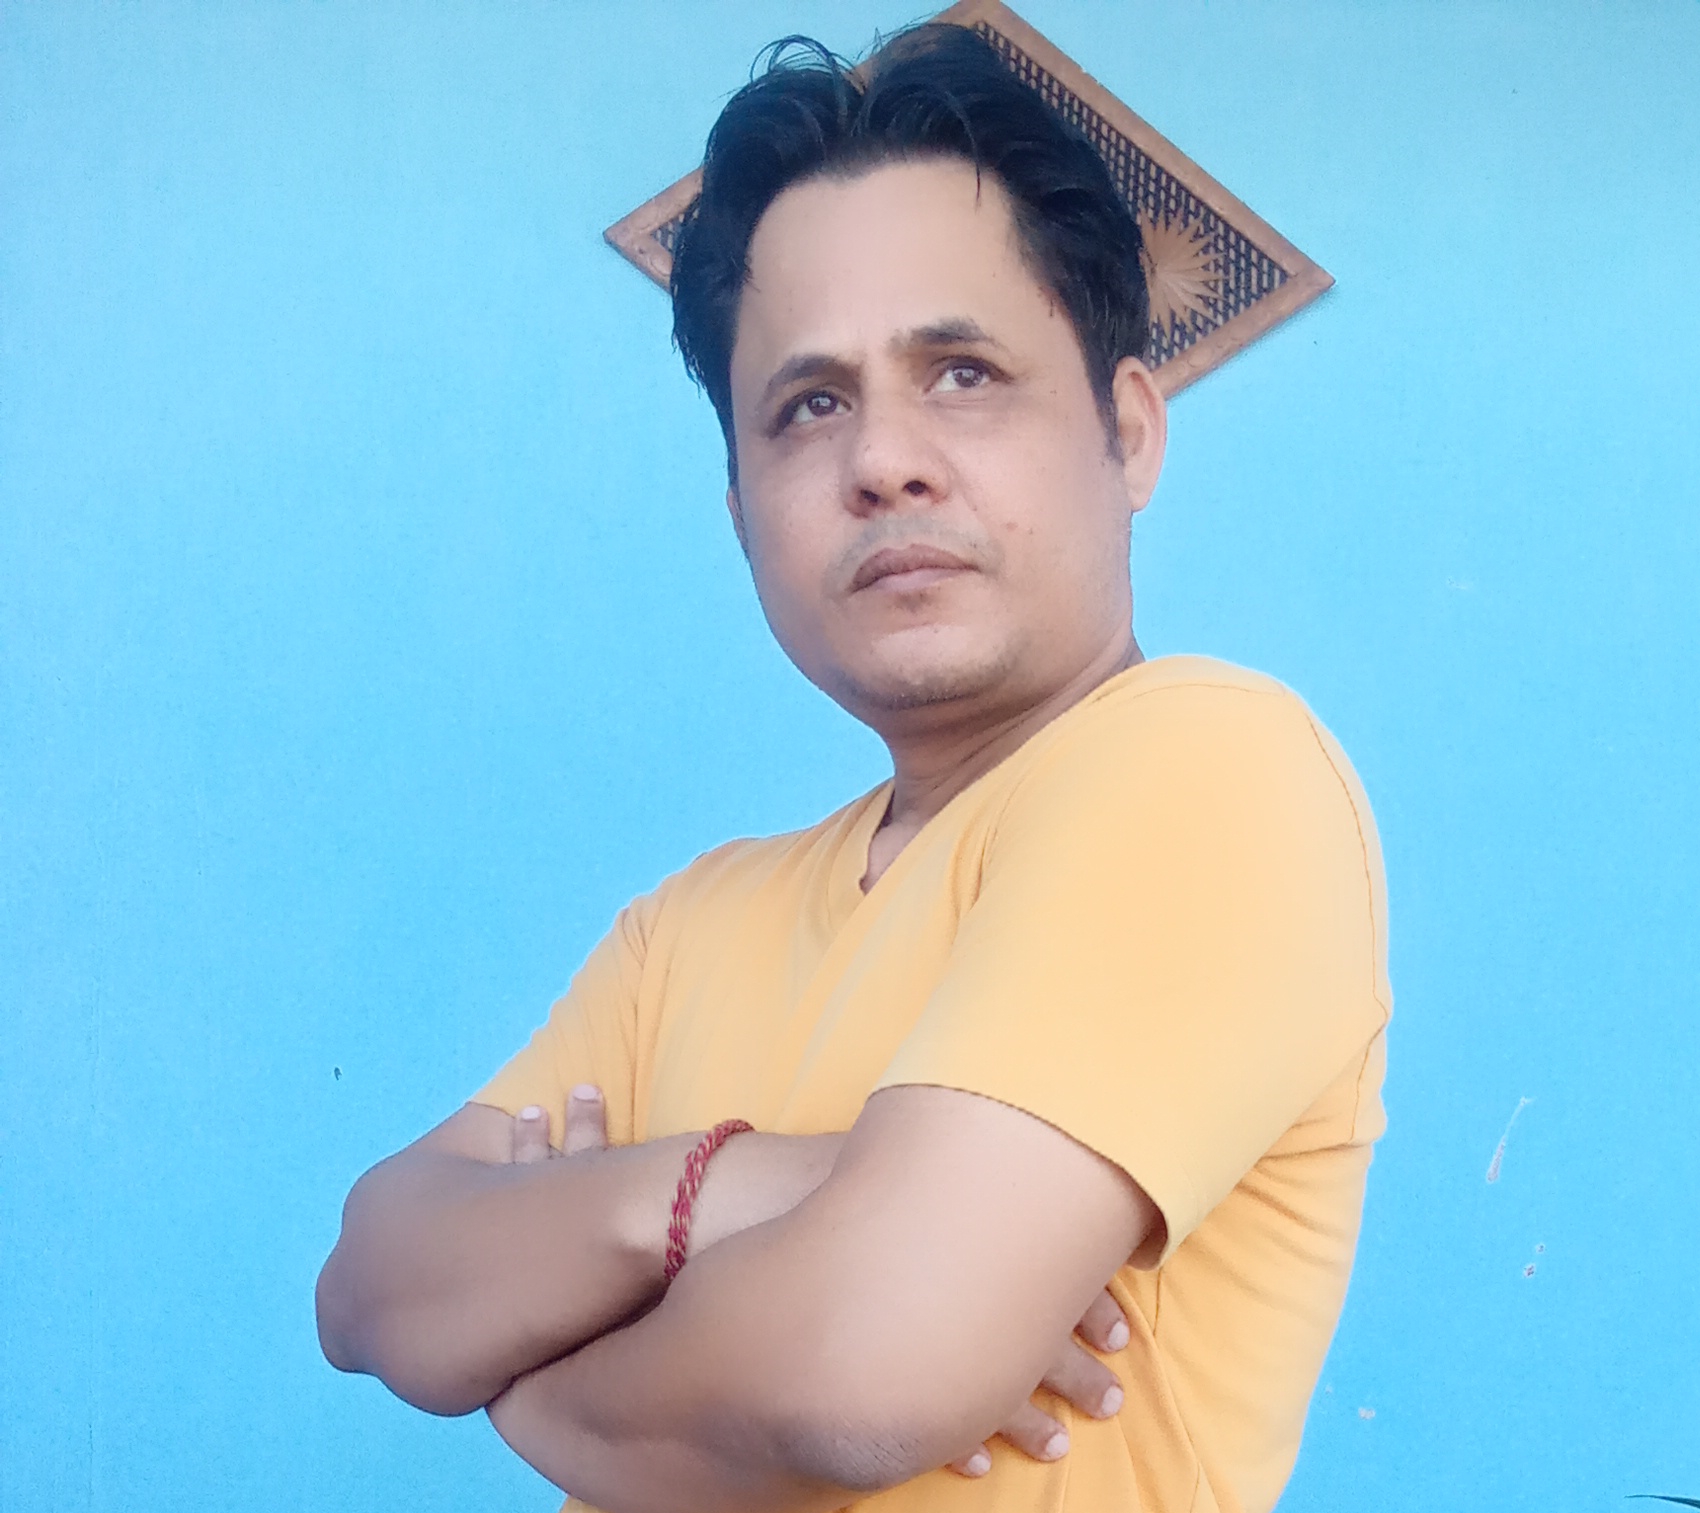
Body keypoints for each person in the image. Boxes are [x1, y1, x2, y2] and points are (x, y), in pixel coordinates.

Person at [315, 23, 1390, 1513]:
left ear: (1129, 432)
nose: (884, 460)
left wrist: (543, 1354)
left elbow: (863, 1366)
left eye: (963, 372)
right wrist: (726, 1192)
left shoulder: (1212, 767)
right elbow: (374, 1286)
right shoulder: (690, 924)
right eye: (809, 404)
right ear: (742, 507)